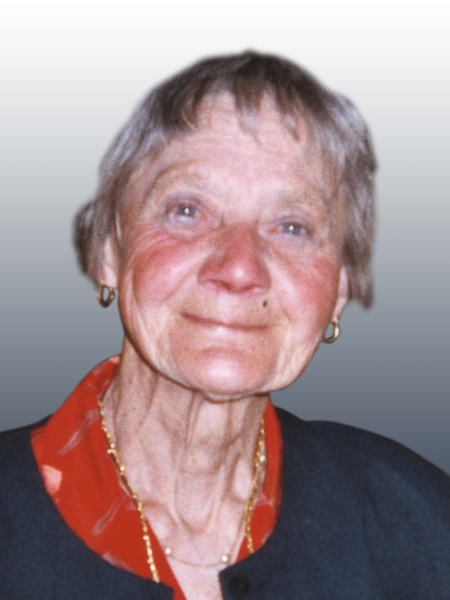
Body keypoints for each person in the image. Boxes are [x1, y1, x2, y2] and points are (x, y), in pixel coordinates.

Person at [1, 51, 449, 600]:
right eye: (188, 210)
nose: (238, 269)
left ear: (338, 291)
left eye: (292, 226)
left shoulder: (415, 519)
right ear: (108, 252)